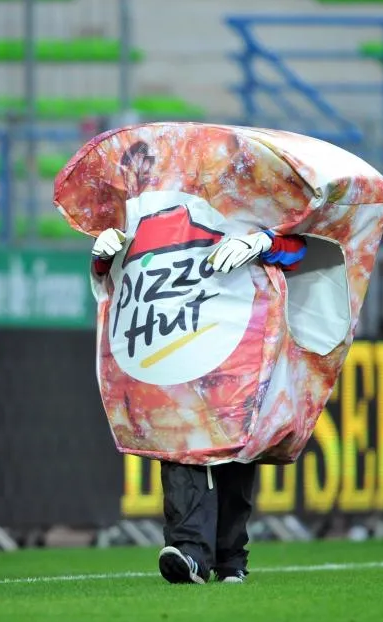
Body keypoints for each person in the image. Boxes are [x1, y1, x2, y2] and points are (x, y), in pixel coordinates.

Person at [90, 225, 308, 584]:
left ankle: (229, 556)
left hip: (243, 337)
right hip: (173, 334)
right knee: (182, 438)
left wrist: (263, 241)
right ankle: (190, 551)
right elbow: (119, 269)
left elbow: (300, 249)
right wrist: (102, 258)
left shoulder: (249, 187)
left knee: (235, 451)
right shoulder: (150, 199)